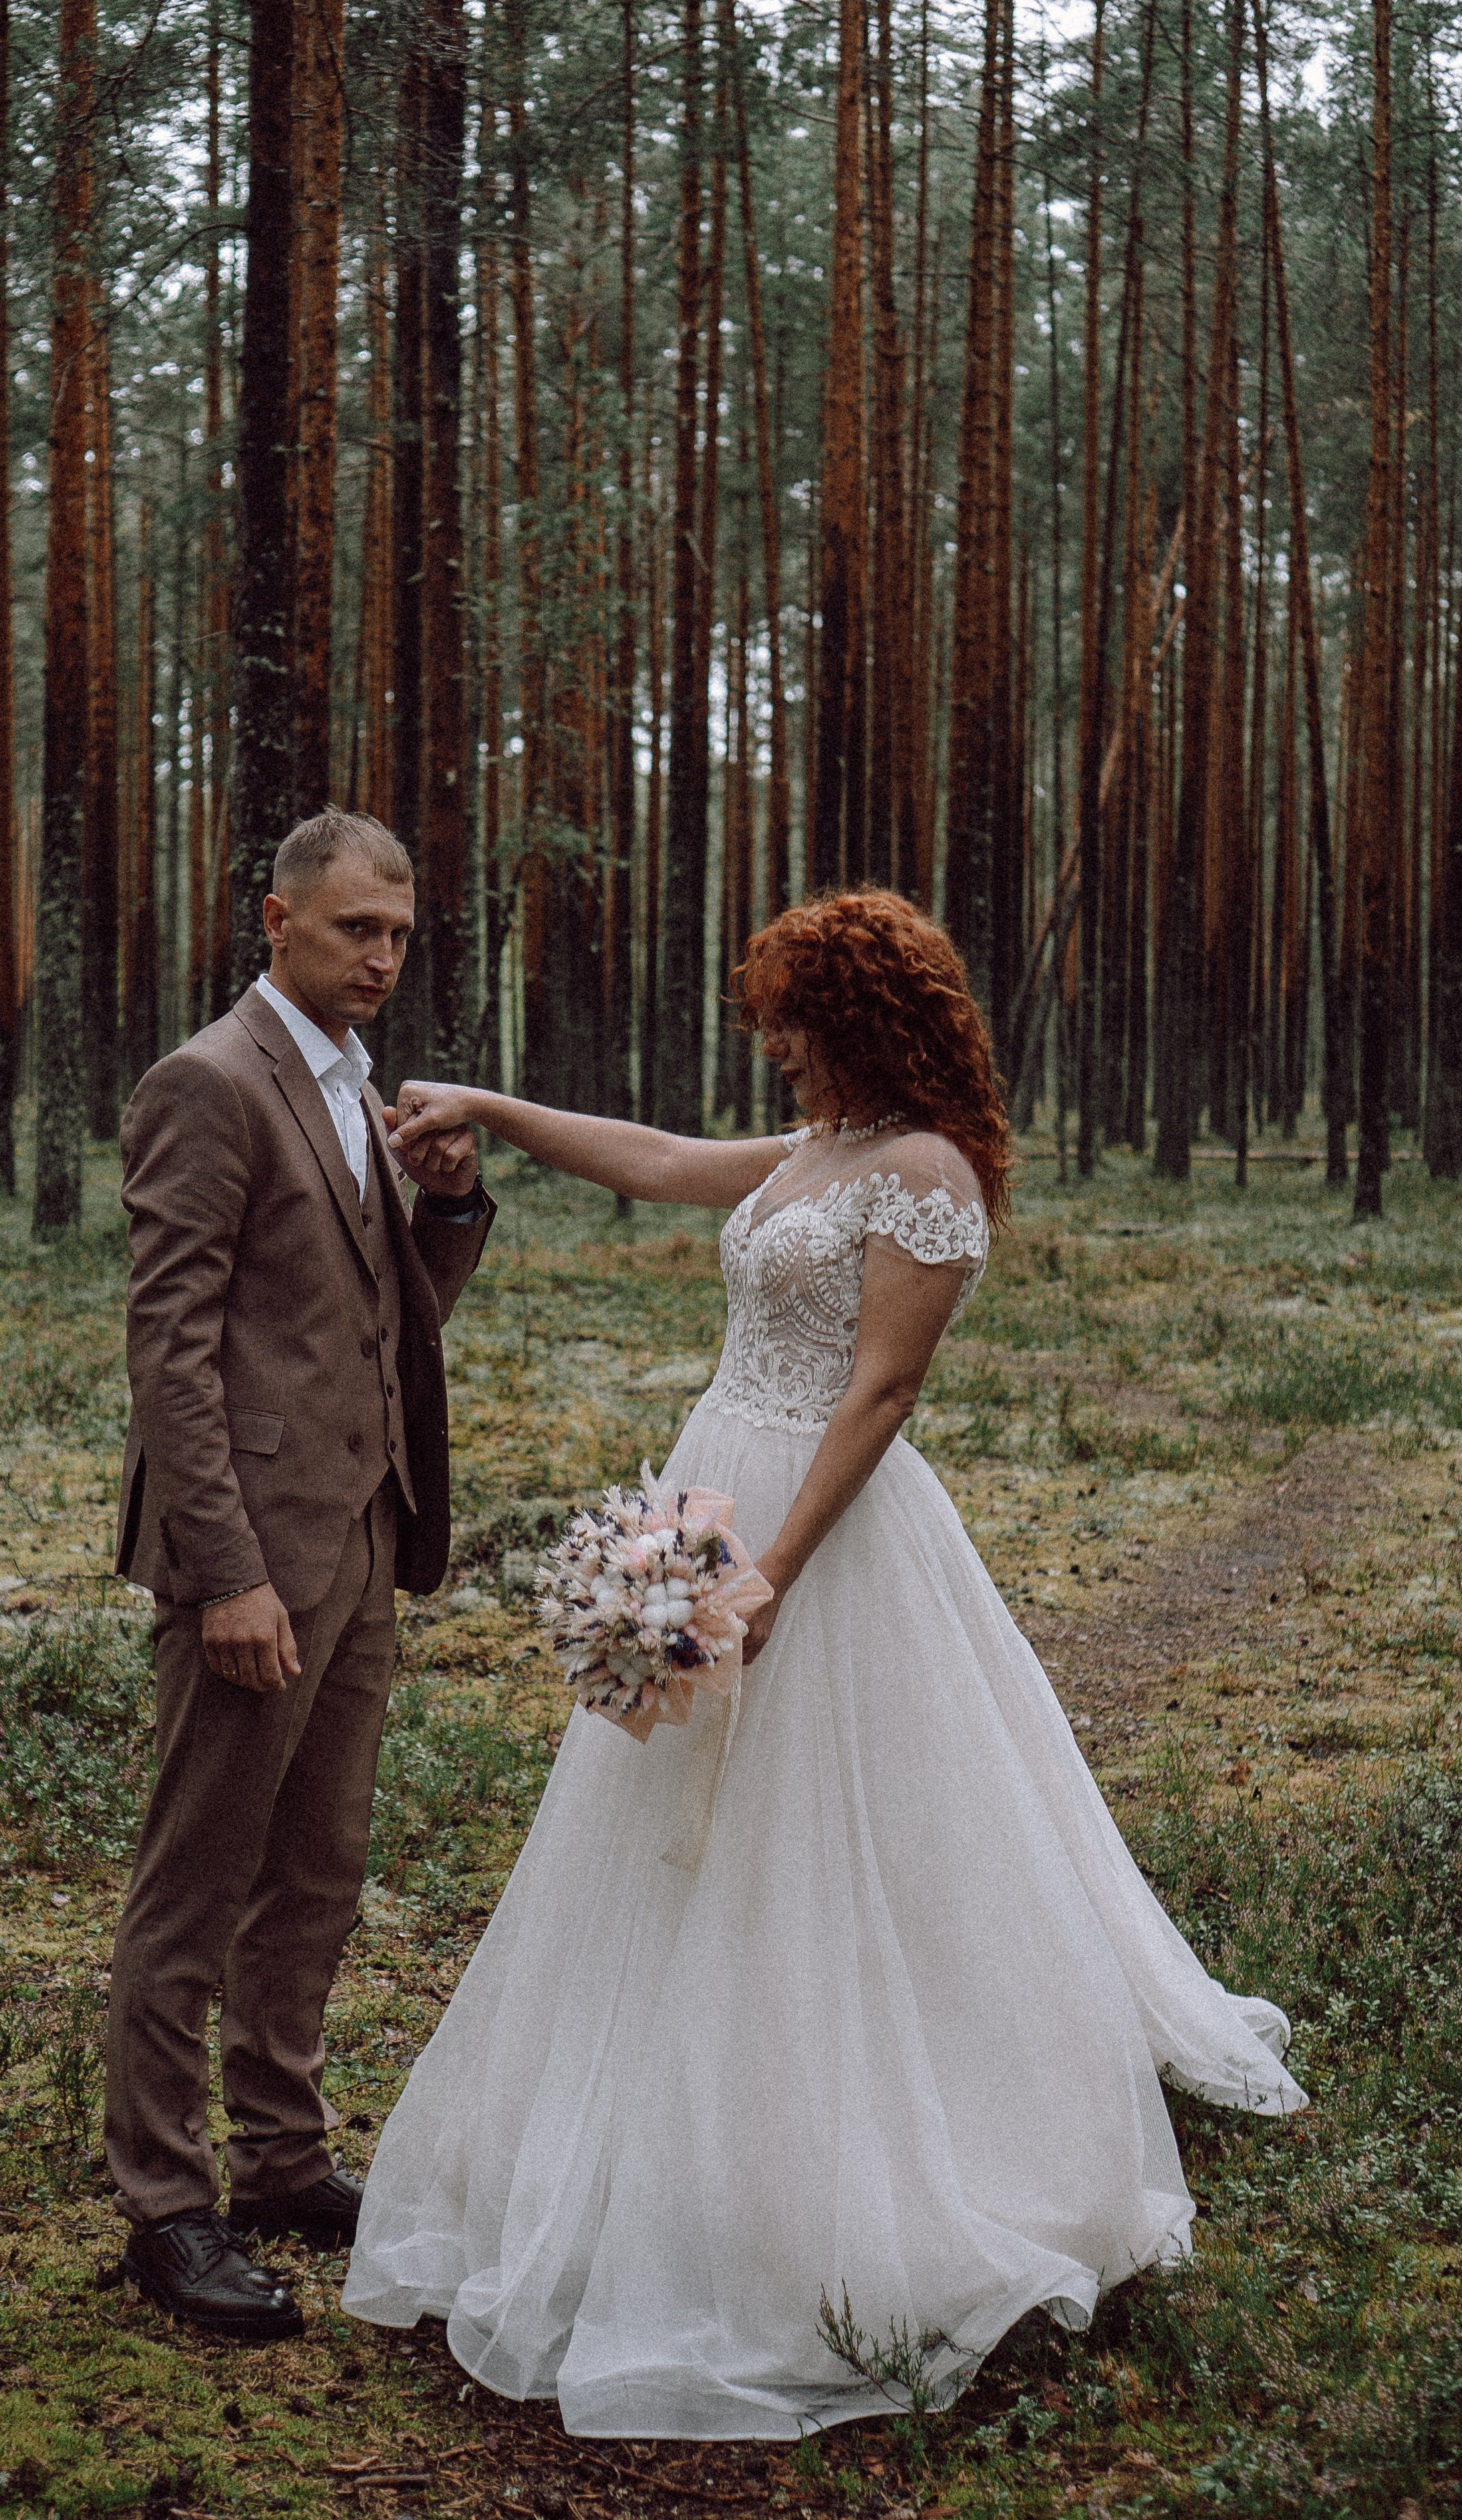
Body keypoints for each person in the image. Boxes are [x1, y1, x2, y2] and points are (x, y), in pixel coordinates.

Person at [343, 888, 1305, 2437]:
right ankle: (656, 2136)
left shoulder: (922, 1175)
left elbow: (883, 1389)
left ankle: (861, 2152)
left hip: (817, 1527)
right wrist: (495, 1113)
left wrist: (772, 1569)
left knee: (840, 1833)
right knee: (659, 1822)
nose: (773, 1046)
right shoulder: (816, 1156)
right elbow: (659, 1163)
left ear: (857, 1019)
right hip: (710, 1483)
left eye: (791, 1018)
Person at [106, 808, 492, 2344]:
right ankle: (165, 2207)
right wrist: (226, 1576)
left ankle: (279, 2158)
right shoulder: (208, 1085)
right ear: (274, 921)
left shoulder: (355, 1090)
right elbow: (173, 1353)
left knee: (318, 1878)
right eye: (354, 931)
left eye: (398, 933)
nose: (382, 957)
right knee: (193, 1882)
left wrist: (450, 1201)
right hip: (255, 1560)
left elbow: (391, 1318)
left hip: (365, 1539)